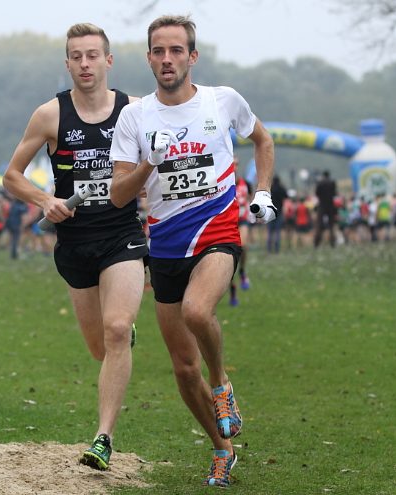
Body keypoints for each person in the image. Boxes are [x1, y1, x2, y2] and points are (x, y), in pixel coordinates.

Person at [109, 15, 275, 488]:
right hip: (165, 243)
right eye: (159, 51)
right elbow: (120, 195)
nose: (167, 59)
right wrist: (149, 165)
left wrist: (261, 192)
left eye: (176, 50)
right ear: (148, 59)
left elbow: (262, 140)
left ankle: (222, 386)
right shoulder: (134, 117)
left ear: (192, 57)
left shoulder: (222, 101)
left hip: (218, 227)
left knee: (198, 311)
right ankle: (223, 451)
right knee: (183, 369)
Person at [3, 22, 147, 471]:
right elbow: (12, 176)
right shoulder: (49, 115)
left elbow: (163, 157)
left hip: (122, 234)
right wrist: (46, 199)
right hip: (74, 242)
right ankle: (118, 338)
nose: (85, 64)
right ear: (67, 63)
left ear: (108, 60)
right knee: (100, 348)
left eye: (92, 55)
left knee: (117, 330)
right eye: (76, 57)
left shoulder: (135, 110)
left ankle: (103, 438)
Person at [229, 157, 252, 306]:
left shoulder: (246, 184)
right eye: (232, 163)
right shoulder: (223, 183)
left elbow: (250, 198)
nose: (234, 166)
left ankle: (243, 272)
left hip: (242, 220)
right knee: (229, 256)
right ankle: (233, 293)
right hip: (228, 222)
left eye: (236, 163)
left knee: (242, 246)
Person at [313, 170, 337, 247]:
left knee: (319, 224)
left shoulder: (320, 183)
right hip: (330, 205)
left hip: (322, 205)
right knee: (331, 225)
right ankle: (332, 242)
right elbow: (334, 193)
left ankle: (317, 243)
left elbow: (317, 193)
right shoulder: (332, 183)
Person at [267, 175, 288, 253]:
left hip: (270, 212)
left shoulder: (270, 188)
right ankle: (276, 249)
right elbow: (286, 196)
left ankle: (269, 248)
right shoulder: (281, 188)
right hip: (279, 211)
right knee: (277, 231)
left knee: (270, 232)